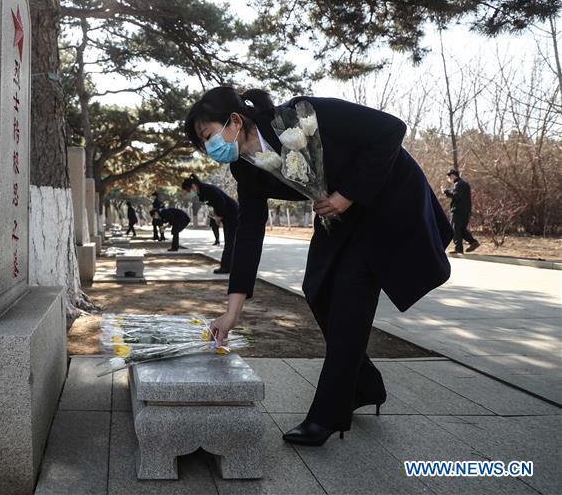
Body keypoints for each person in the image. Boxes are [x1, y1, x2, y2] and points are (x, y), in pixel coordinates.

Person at [185, 86, 452, 446]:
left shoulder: (301, 115)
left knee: (348, 307)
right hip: (336, 216)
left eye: (208, 136)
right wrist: (232, 311)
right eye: (203, 145)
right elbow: (249, 233)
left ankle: (327, 416)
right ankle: (365, 385)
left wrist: (346, 196)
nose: (209, 149)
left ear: (234, 120)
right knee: (318, 289)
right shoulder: (245, 170)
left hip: (381, 199)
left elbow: (391, 128)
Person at [182, 174, 239, 274]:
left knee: (230, 242)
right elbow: (212, 205)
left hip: (232, 214)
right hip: (227, 215)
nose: (188, 193)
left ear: (193, 186)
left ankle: (226, 267)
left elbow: (221, 202)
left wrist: (219, 216)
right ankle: (231, 266)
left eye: (188, 191)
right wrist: (216, 216)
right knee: (231, 242)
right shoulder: (201, 194)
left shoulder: (208, 190)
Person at [443, 169, 480, 254]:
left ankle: (458, 249)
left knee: (455, 229)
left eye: (448, 177)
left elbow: (456, 195)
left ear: (452, 175)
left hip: (457, 211)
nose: (448, 179)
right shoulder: (464, 184)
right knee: (461, 229)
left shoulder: (458, 184)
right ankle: (473, 242)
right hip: (465, 211)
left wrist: (446, 192)